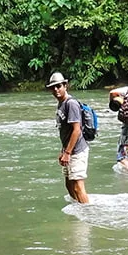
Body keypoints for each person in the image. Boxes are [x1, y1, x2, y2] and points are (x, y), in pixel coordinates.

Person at [47, 72, 89, 204]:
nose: (55, 89)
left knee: (77, 186)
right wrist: (63, 151)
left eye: (58, 86)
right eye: (53, 87)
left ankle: (88, 213)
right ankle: (79, 207)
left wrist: (67, 153)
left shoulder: (71, 104)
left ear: (65, 85)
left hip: (77, 151)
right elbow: (65, 130)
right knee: (69, 185)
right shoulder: (61, 104)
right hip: (69, 150)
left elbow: (77, 130)